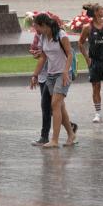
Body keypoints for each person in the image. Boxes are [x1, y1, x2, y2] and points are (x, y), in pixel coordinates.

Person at [28, 11, 78, 145]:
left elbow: (70, 54)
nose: (35, 30)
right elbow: (43, 57)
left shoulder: (61, 35)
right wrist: (35, 75)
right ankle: (71, 134)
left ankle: (54, 140)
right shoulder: (43, 37)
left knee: (54, 104)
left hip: (63, 74)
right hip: (51, 75)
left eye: (36, 27)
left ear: (44, 25)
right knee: (60, 106)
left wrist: (66, 71)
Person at [79, 3, 103, 123]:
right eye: (102, 9)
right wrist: (87, 58)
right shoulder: (88, 27)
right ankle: (98, 114)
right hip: (95, 62)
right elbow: (80, 43)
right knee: (96, 87)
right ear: (96, 12)